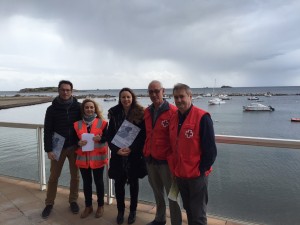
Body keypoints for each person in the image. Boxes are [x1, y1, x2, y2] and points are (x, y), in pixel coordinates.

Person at [168, 83, 217, 225]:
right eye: (176, 97)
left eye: (182, 96)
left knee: (198, 215)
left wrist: (199, 171)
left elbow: (211, 152)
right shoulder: (174, 118)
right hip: (180, 174)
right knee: (188, 209)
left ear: (190, 96)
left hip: (197, 176)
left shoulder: (203, 117)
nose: (178, 100)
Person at [143, 80, 182, 225]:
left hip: (166, 162)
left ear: (163, 91)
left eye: (156, 91)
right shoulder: (147, 112)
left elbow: (177, 139)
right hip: (150, 159)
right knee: (157, 193)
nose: (154, 94)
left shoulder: (173, 112)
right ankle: (160, 219)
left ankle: (176, 223)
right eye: (151, 92)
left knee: (172, 196)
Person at [107, 87, 147, 225]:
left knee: (134, 185)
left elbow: (143, 135)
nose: (126, 99)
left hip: (134, 155)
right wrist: (116, 150)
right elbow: (109, 135)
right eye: (123, 97)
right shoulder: (114, 113)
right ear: (120, 98)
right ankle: (120, 211)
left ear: (132, 97)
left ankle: (133, 211)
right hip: (118, 156)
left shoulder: (140, 113)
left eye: (128, 97)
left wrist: (132, 148)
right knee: (118, 186)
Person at [42, 80, 81, 219]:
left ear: (72, 91)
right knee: (53, 177)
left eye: (68, 90)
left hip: (75, 146)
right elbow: (47, 131)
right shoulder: (51, 109)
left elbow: (87, 123)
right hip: (58, 147)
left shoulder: (78, 107)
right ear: (58, 90)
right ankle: (49, 203)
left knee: (75, 177)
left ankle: (73, 200)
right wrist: (48, 149)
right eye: (63, 89)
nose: (65, 92)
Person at [74, 99, 108, 219]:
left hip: (97, 158)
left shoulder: (102, 123)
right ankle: (88, 206)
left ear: (95, 109)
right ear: (83, 109)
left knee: (99, 183)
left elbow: (107, 137)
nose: (89, 109)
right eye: (87, 107)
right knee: (87, 183)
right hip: (83, 159)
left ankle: (100, 206)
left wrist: (101, 138)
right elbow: (73, 140)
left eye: (91, 107)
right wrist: (78, 142)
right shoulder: (77, 124)